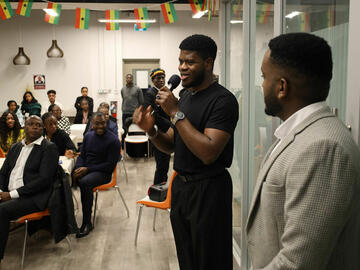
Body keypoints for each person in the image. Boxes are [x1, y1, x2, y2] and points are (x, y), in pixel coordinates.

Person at [246, 33, 360, 270]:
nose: (262, 85)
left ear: (282, 87)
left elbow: (297, 262)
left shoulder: (324, 147)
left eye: (264, 77)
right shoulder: (301, 133)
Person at [133, 34, 239, 270]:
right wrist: (152, 132)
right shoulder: (186, 97)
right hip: (181, 187)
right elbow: (172, 143)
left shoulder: (223, 100)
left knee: (210, 261)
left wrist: (175, 113)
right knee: (187, 258)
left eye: (190, 62)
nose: (182, 67)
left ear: (208, 63)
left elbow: (208, 152)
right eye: (180, 61)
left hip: (209, 189)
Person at [0, 116, 59, 262]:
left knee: (2, 211)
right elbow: (3, 173)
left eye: (38, 125)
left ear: (43, 128)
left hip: (33, 197)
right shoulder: (15, 147)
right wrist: (1, 191)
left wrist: (12, 194)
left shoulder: (48, 148)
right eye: (31, 124)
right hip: (9, 194)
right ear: (25, 127)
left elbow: (44, 180)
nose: (35, 127)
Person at [73, 112, 121, 238]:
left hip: (103, 173)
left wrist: (87, 169)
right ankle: (66, 220)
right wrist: (78, 169)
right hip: (87, 170)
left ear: (107, 123)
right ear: (92, 124)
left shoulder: (113, 141)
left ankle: (87, 223)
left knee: (85, 183)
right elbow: (82, 156)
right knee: (64, 178)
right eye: (97, 123)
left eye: (103, 123)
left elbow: (109, 166)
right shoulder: (88, 136)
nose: (100, 126)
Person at [143, 68, 171, 184]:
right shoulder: (151, 93)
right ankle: (157, 192)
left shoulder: (164, 92)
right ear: (152, 80)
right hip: (158, 133)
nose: (161, 80)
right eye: (158, 78)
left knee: (164, 165)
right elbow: (151, 115)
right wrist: (169, 124)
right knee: (161, 165)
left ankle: (162, 189)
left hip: (166, 131)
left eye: (163, 78)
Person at [121, 74, 143, 141]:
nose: (129, 79)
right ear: (126, 79)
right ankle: (124, 145)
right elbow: (124, 98)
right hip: (125, 113)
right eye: (127, 78)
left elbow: (141, 101)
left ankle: (136, 143)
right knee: (125, 130)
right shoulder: (123, 89)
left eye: (130, 78)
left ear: (132, 79)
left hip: (134, 113)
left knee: (135, 129)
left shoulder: (137, 89)